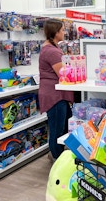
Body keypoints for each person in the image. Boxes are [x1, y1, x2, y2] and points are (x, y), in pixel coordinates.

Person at [39, 18, 74, 162]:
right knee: (57, 130)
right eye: (62, 30)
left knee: (60, 127)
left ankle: (55, 154)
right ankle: (57, 159)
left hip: (55, 94)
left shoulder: (50, 48)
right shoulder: (52, 52)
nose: (64, 32)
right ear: (55, 32)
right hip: (55, 95)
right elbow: (63, 73)